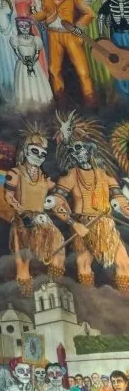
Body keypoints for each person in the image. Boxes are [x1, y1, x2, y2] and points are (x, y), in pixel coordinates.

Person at [49, 112, 129, 292]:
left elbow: (120, 200)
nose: (76, 153)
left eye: (79, 148)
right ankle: (90, 300)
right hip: (83, 225)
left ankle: (125, 300)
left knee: (124, 262)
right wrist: (74, 224)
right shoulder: (70, 176)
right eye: (72, 151)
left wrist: (126, 209)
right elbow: (56, 203)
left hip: (106, 226)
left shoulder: (105, 176)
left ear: (88, 149)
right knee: (83, 263)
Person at [3, 123, 63, 295]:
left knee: (58, 249)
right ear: (25, 151)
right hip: (23, 222)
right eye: (35, 151)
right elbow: (9, 196)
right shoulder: (15, 173)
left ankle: (55, 288)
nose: (38, 156)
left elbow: (57, 192)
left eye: (42, 154)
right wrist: (23, 215)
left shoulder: (44, 177)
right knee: (23, 262)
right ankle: (25, 296)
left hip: (42, 220)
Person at [33, 0, 96, 106]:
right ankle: (61, 102)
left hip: (70, 35)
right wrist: (31, 18)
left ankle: (90, 101)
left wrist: (79, 25)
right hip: (53, 35)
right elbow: (44, 13)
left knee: (82, 70)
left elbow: (89, 13)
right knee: (54, 70)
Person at [79, 0, 111, 96]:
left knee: (103, 55)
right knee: (90, 56)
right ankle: (96, 87)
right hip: (87, 30)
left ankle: (107, 86)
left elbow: (107, 15)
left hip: (100, 29)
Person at [10, 18, 54, 111]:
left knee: (36, 82)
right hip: (22, 65)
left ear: (30, 27)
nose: (24, 28)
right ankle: (26, 106)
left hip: (35, 64)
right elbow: (17, 52)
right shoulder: (15, 39)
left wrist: (32, 62)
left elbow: (37, 53)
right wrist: (25, 61)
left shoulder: (35, 39)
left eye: (26, 26)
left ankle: (40, 104)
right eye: (21, 26)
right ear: (18, 27)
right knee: (24, 83)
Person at [98, 0, 129, 100]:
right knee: (119, 64)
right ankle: (123, 94)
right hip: (116, 37)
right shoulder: (109, 3)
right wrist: (101, 35)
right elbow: (100, 18)